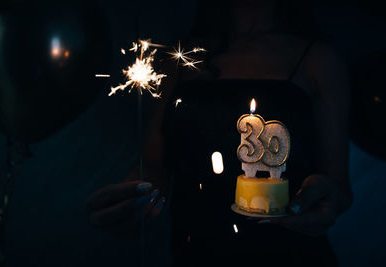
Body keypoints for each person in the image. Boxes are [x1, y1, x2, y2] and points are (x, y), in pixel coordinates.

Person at [87, 0, 353, 266]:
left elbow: (338, 184)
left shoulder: (319, 60)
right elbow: (154, 164)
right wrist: (136, 200)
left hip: (292, 255)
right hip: (197, 253)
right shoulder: (181, 58)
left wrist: (324, 200)